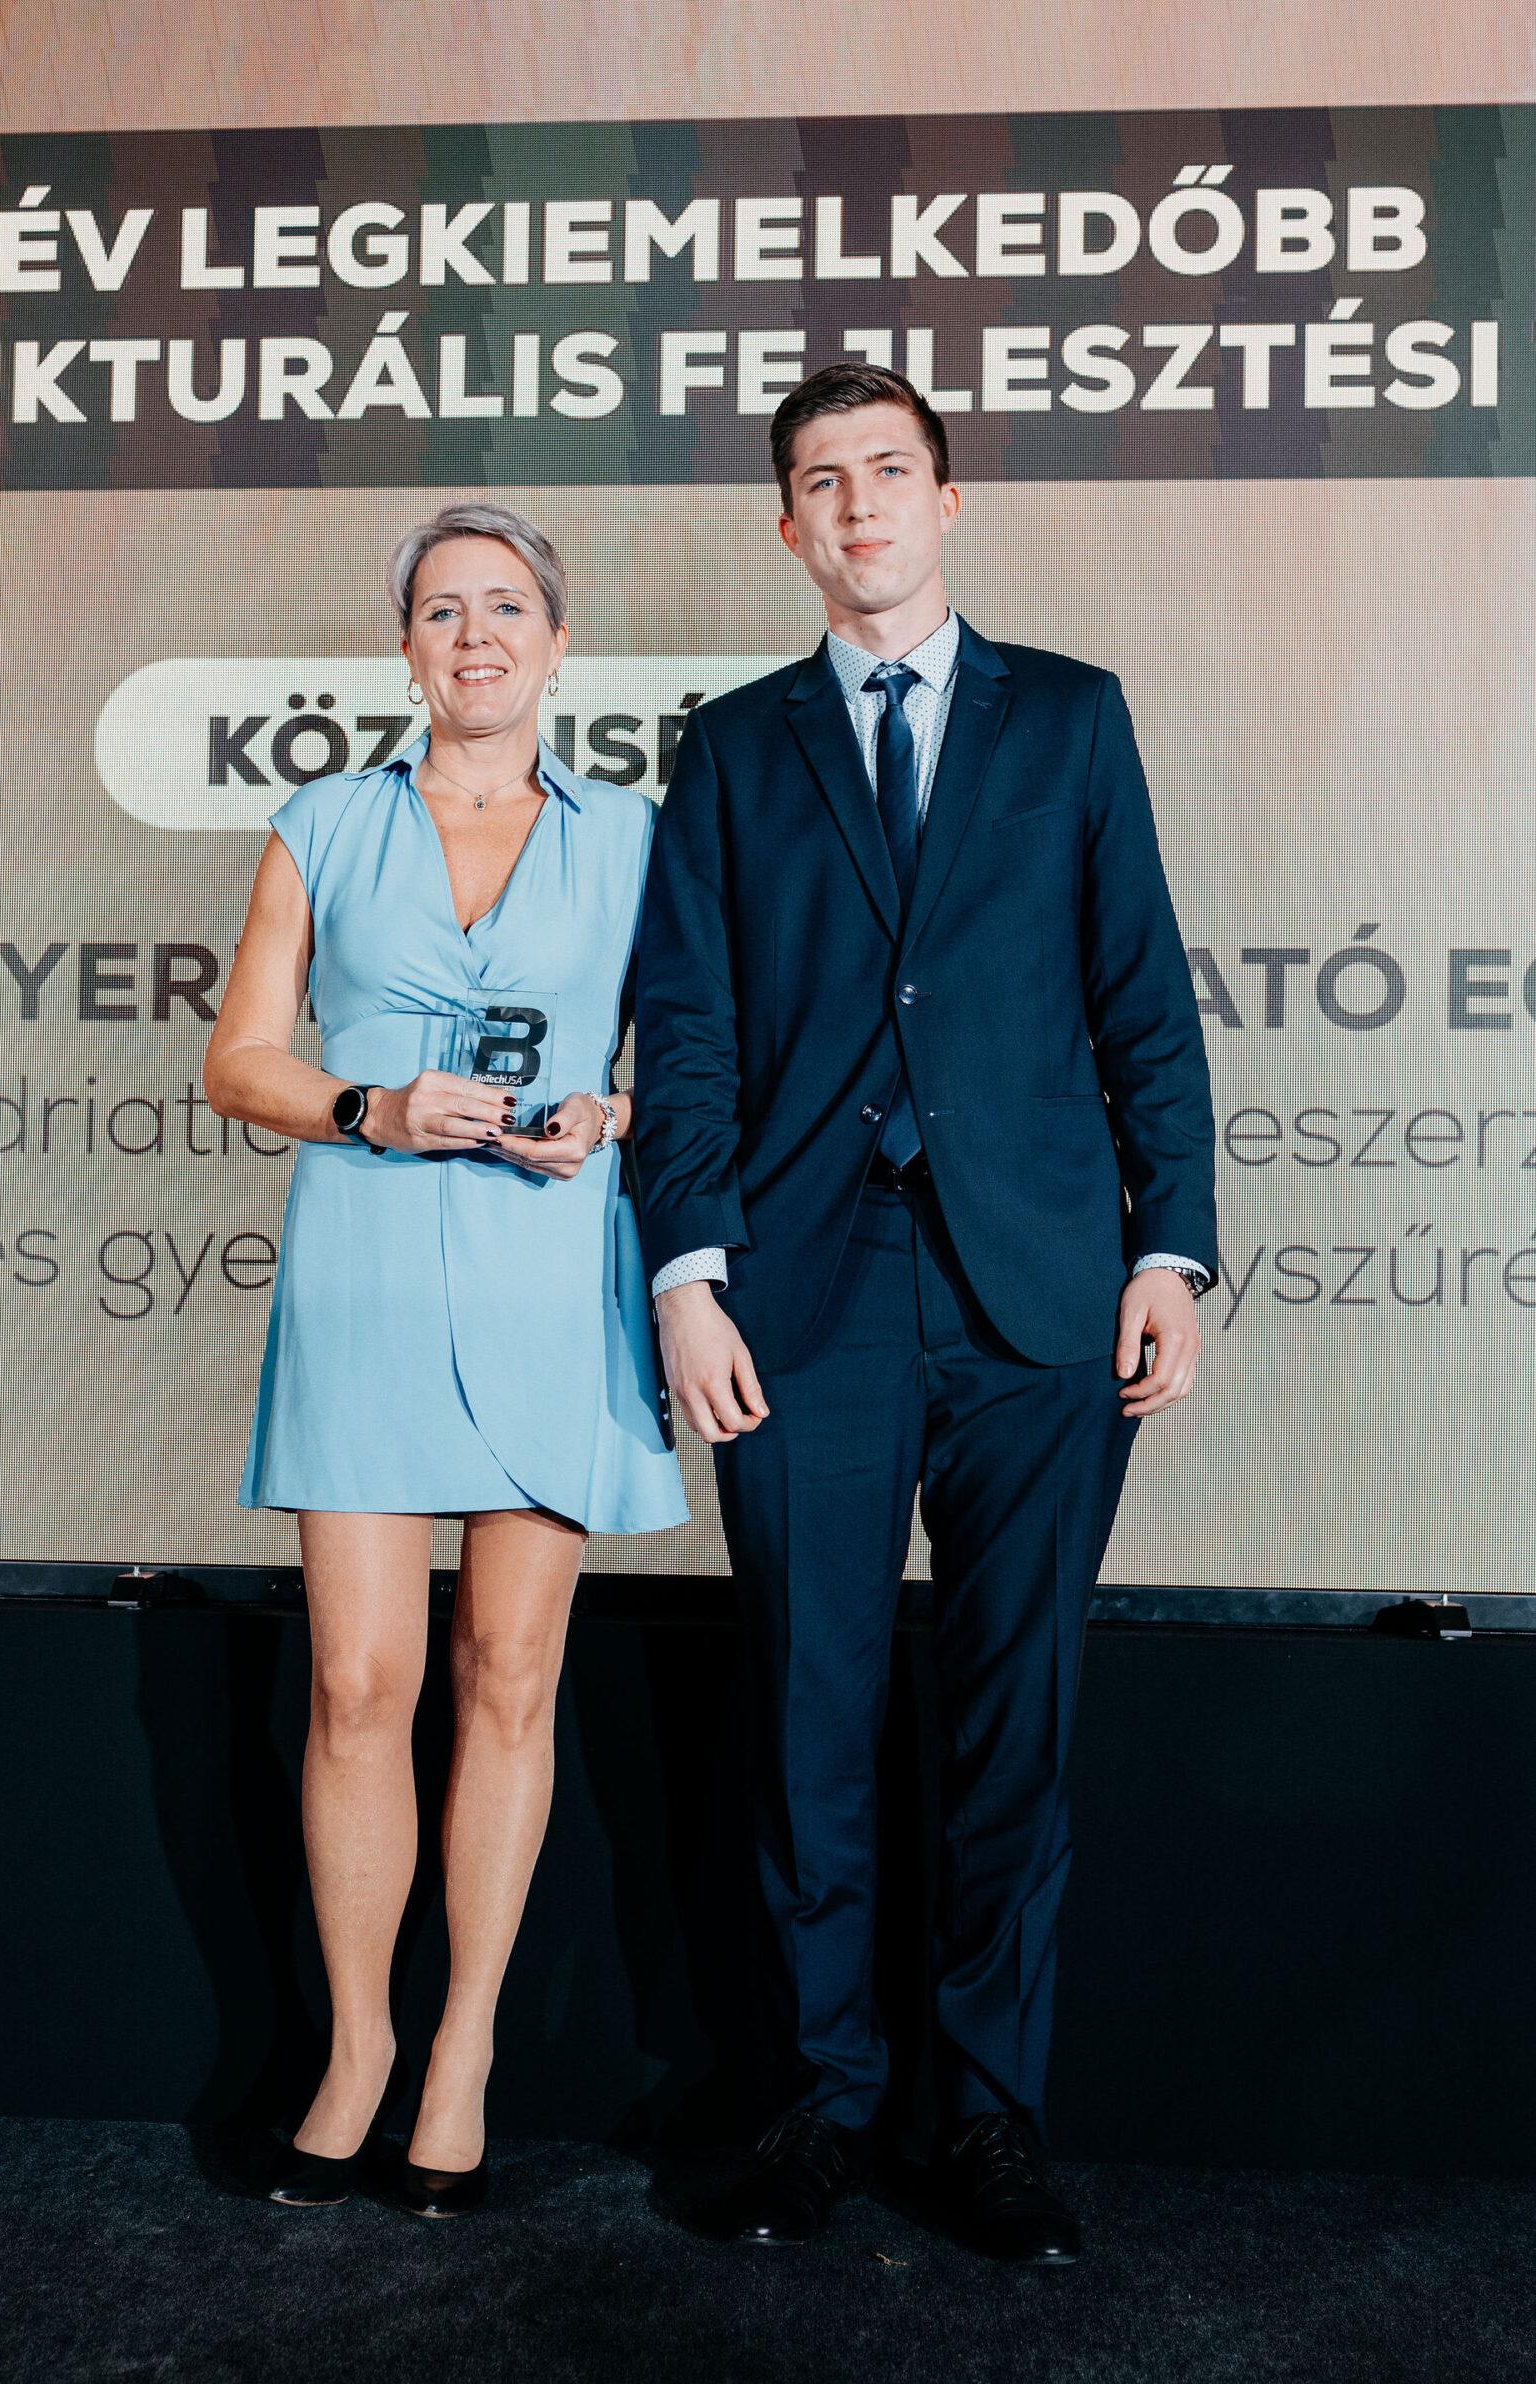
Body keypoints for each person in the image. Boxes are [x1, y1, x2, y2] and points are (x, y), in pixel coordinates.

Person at [635, 363, 1216, 2264]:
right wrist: (687, 1271)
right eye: (824, 480)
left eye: (890, 470)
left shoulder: (1075, 718)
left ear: (948, 502)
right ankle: (817, 2109)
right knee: (807, 1712)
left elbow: (1144, 1006)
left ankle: (986, 2120)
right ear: (786, 526)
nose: (861, 504)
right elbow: (690, 1031)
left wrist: (1169, 1250)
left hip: (1038, 1290)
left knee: (1010, 1724)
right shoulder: (734, 748)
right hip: (802, 1292)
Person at [205, 500, 686, 2214]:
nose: (474, 636)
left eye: (504, 608)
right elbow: (239, 1059)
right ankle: (357, 2047)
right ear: (403, 645)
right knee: (356, 1686)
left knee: (510, 1675)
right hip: (369, 1266)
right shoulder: (323, 823)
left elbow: (689, 1058)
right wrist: (376, 1107)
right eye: (440, 610)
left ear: (557, 642)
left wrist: (610, 1114)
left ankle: (464, 2049)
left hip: (554, 1268)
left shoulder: (637, 837)